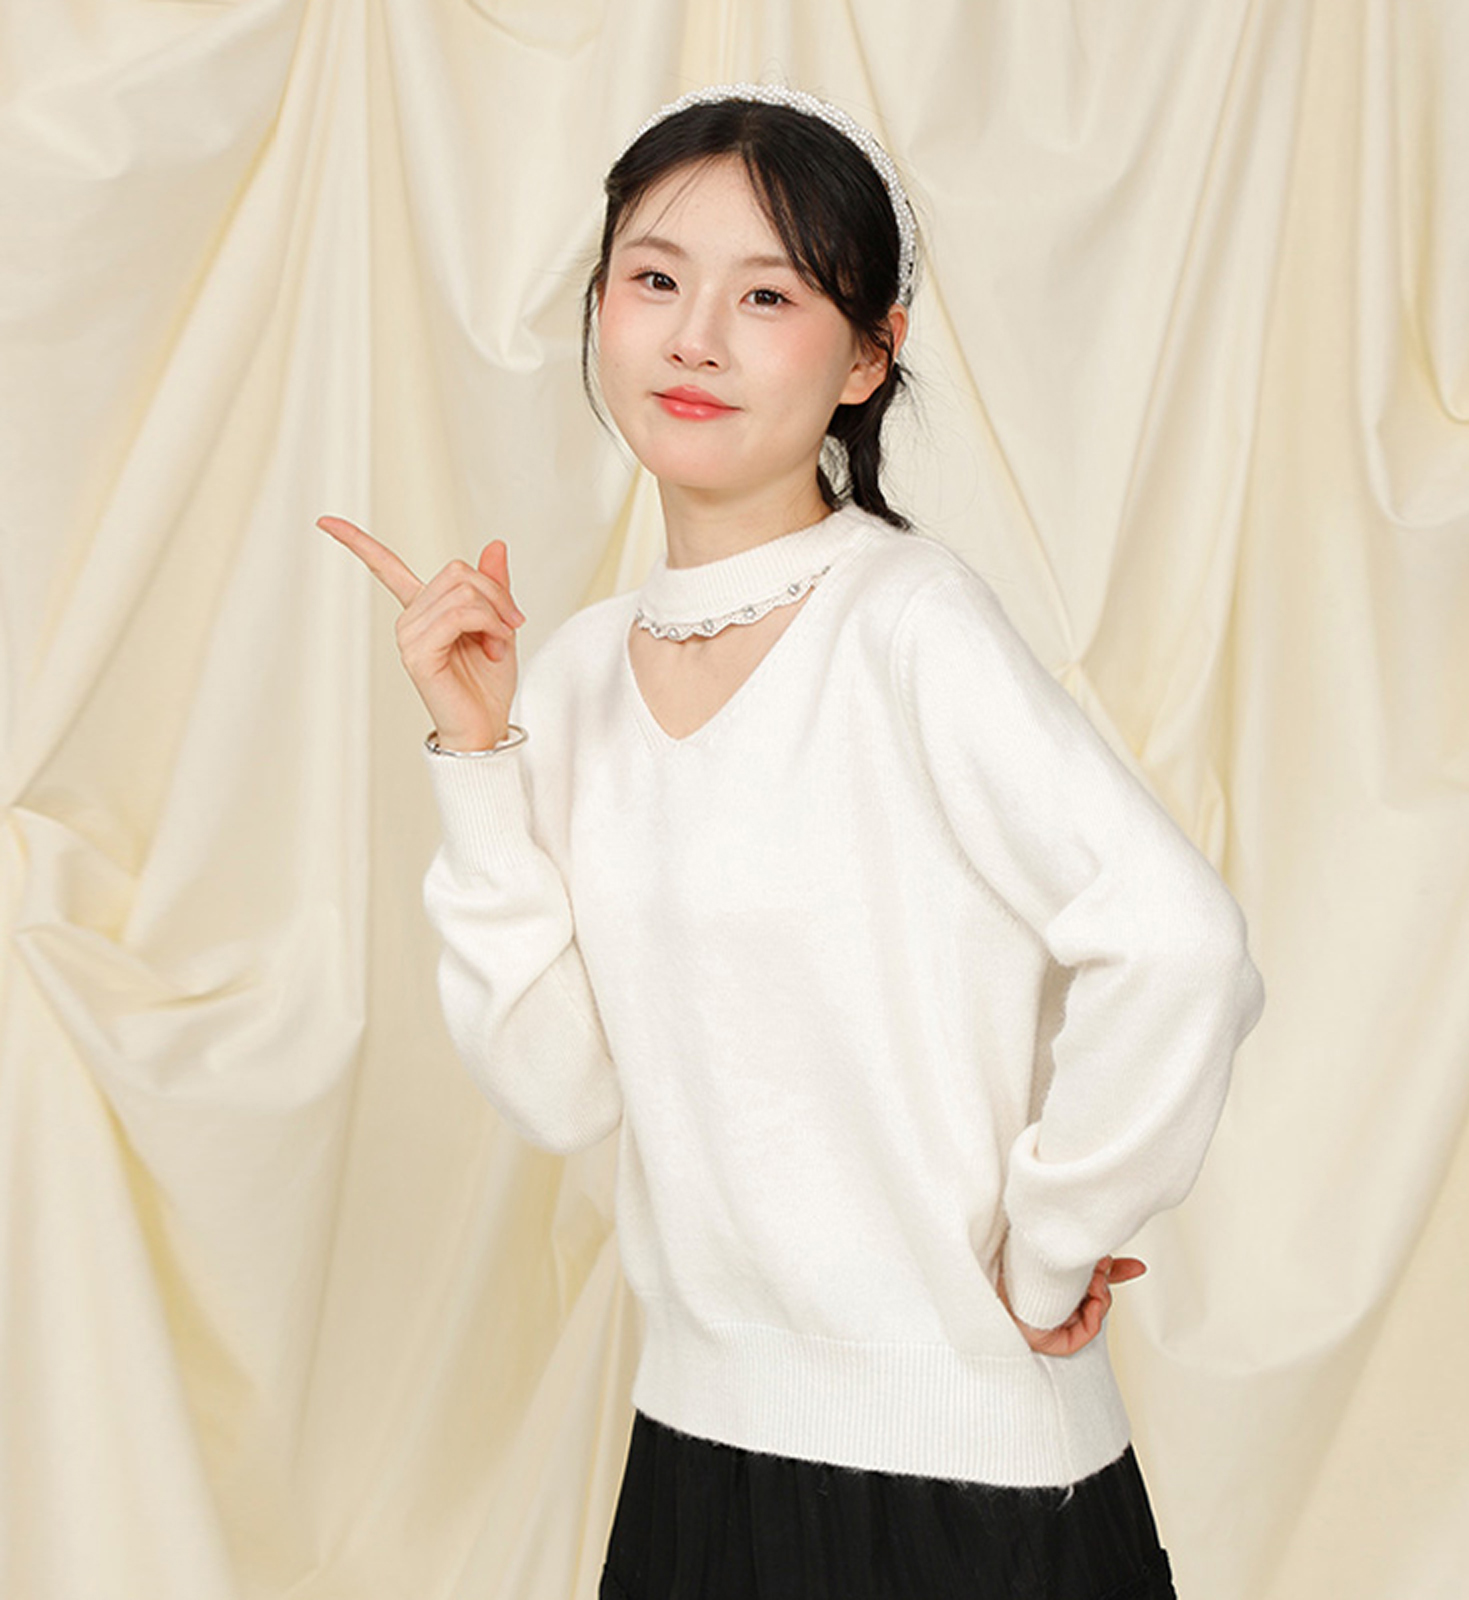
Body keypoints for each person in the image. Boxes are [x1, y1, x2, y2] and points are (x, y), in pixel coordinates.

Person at [321, 82, 1266, 1600]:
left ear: (869, 356)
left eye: (768, 296)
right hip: (701, 1453)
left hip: (970, 1482)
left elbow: (1177, 942)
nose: (695, 337)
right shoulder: (573, 673)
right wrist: (480, 756)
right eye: (655, 278)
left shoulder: (909, 625)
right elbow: (562, 1089)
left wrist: (1051, 1245)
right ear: (601, 310)